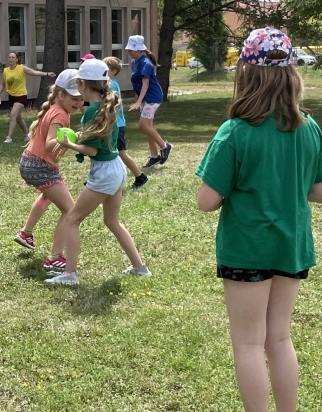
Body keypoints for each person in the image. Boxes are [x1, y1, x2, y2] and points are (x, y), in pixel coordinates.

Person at [195, 27, 322, 412]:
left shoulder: (234, 132)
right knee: (279, 339)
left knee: (249, 342)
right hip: (291, 246)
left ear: (245, 74)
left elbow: (207, 201)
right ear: (290, 74)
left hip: (247, 249)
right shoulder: (309, 128)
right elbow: (317, 191)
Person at [45, 59, 150, 286]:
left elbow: (92, 150)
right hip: (117, 169)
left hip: (104, 173)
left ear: (82, 84)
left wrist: (69, 144)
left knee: (72, 219)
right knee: (112, 221)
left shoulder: (93, 110)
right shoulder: (105, 104)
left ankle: (70, 274)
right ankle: (139, 267)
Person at [14, 69, 84, 266]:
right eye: (74, 98)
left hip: (31, 162)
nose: (78, 104)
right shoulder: (60, 115)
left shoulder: (55, 108)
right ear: (61, 94)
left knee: (47, 196)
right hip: (39, 166)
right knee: (70, 211)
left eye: (81, 99)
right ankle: (54, 258)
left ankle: (26, 233)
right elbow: (50, 143)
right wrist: (73, 138)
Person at [125, 35, 173, 167]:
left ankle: (164, 146)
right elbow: (137, 82)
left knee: (143, 125)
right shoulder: (135, 63)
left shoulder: (146, 63)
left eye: (131, 50)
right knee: (148, 127)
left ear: (139, 50)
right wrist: (137, 96)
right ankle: (154, 156)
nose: (129, 52)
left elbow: (145, 84)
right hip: (144, 97)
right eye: (128, 49)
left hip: (153, 98)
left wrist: (139, 102)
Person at [103, 56, 148, 189]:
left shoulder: (111, 84)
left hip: (116, 124)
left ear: (112, 70)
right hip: (113, 124)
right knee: (109, 151)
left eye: (104, 68)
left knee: (121, 152)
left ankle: (140, 176)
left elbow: (112, 105)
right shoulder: (109, 83)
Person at [0, 52, 56, 144]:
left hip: (21, 96)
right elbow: (3, 84)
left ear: (17, 59)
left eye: (13, 57)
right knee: (18, 118)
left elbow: (34, 72)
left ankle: (9, 137)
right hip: (11, 96)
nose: (11, 59)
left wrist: (47, 74)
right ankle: (27, 134)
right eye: (9, 57)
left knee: (13, 115)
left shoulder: (21, 68)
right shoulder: (6, 70)